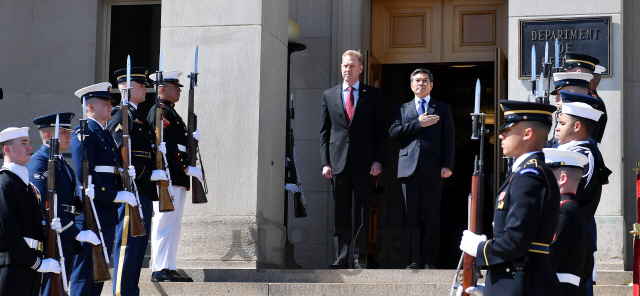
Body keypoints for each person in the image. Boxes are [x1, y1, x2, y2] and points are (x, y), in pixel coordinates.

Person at [459, 100, 561, 296]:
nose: (501, 135)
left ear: (527, 133)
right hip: (517, 279)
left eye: (508, 129)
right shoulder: (524, 173)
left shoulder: (529, 175)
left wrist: (480, 249)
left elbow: (516, 240)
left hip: (522, 281)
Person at [69, 82, 138, 296]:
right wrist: (115, 194)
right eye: (105, 102)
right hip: (93, 207)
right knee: (85, 271)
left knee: (99, 269)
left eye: (110, 102)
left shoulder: (104, 132)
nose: (110, 106)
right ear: (90, 107)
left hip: (105, 210)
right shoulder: (85, 132)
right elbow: (85, 172)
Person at [320, 49, 386, 269]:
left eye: (352, 65)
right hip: (338, 163)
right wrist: (325, 162)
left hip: (365, 164)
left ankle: (359, 258)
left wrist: (378, 160)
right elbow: (324, 132)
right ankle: (341, 257)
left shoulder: (373, 95)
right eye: (345, 65)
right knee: (341, 212)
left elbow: (380, 131)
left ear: (361, 69)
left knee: (361, 211)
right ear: (341, 68)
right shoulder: (329, 95)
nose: (348, 69)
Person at [108, 67, 168, 294]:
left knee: (138, 246)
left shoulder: (137, 116)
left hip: (142, 189)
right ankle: (122, 292)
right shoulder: (121, 115)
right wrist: (147, 173)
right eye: (142, 85)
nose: (146, 90)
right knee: (128, 246)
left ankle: (130, 291)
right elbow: (119, 153)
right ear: (128, 87)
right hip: (131, 188)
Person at [27, 113, 101, 295]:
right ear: (49, 136)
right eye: (65, 132)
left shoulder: (61, 162)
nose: (70, 136)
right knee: (51, 287)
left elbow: (69, 201)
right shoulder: (39, 161)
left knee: (60, 286)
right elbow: (45, 201)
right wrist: (74, 232)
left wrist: (84, 198)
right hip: (54, 233)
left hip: (64, 234)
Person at [389, 68, 454, 269]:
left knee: (432, 215)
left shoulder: (442, 108)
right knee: (411, 216)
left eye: (425, 80)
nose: (421, 83)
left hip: (433, 169)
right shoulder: (403, 109)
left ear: (431, 85)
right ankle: (414, 260)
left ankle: (429, 260)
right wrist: (418, 123)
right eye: (417, 80)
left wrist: (447, 165)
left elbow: (449, 138)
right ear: (411, 85)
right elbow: (394, 132)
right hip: (408, 168)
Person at [147, 70, 201, 282]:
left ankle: (169, 265)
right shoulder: (160, 112)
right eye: (174, 87)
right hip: (168, 174)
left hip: (176, 176)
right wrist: (186, 168)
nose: (179, 90)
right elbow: (168, 148)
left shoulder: (171, 112)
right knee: (164, 221)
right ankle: (158, 267)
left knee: (174, 223)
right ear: (162, 89)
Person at [554, 91, 609, 295]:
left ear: (577, 126)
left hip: (569, 241)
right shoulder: (576, 153)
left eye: (562, 123)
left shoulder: (578, 157)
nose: (557, 128)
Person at [0, 127, 61, 296]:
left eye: (29, 142)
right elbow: (7, 234)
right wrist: (37, 263)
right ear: (7, 149)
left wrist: (48, 227)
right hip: (12, 265)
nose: (29, 147)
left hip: (28, 265)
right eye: (23, 143)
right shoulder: (5, 183)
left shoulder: (26, 186)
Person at [545, 148, 592, 296]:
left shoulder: (563, 211)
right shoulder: (574, 210)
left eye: (547, 174)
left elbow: (548, 257)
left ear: (562, 179)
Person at [545, 72, 593, 148]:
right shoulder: (566, 114)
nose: (556, 99)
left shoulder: (583, 117)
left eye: (560, 94)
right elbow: (554, 144)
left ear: (572, 93)